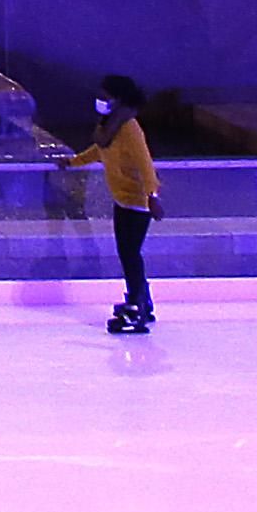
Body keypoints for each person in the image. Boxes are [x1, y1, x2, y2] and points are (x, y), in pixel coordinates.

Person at [73, 79, 161, 335]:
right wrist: (71, 162)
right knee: (128, 253)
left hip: (138, 202)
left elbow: (145, 163)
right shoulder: (110, 127)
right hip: (123, 198)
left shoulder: (129, 127)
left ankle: (137, 304)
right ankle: (141, 299)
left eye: (105, 95)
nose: (100, 99)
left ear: (118, 99)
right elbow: (99, 151)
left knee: (130, 253)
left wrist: (152, 195)